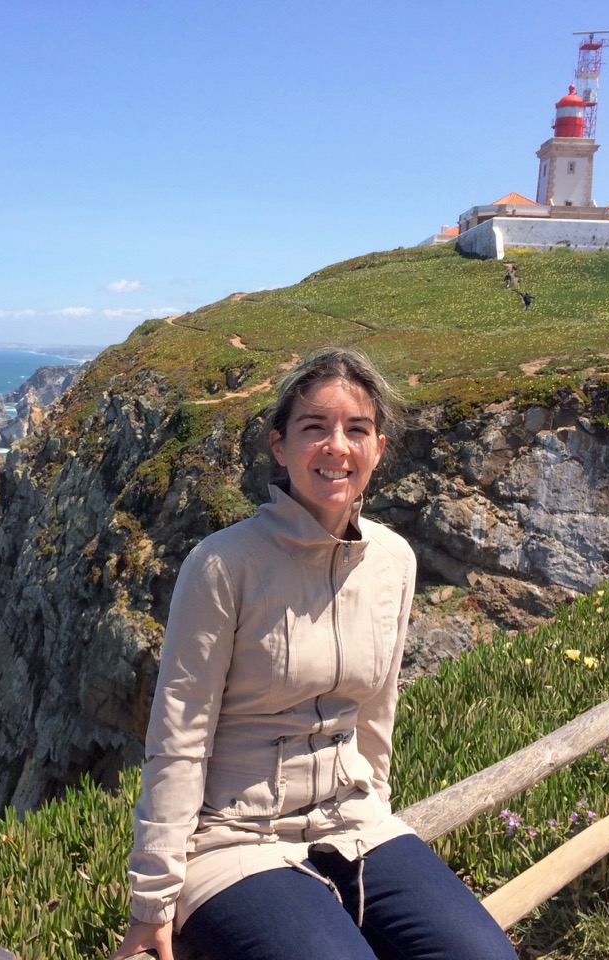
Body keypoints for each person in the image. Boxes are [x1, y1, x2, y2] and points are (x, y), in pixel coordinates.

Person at [110, 348, 516, 960]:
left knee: (484, 956)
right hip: (234, 839)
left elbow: (377, 710)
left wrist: (375, 808)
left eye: (356, 430)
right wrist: (153, 902)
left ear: (379, 448)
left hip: (353, 823)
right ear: (279, 447)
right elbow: (178, 738)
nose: (336, 446)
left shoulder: (393, 561)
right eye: (314, 428)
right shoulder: (222, 565)